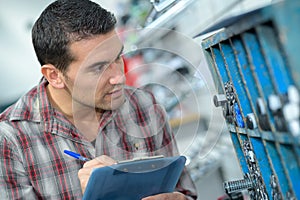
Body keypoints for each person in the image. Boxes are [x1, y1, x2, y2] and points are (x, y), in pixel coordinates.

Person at [0, 0, 197, 199]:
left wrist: (180, 198)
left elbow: (185, 191)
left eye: (118, 57)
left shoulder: (145, 106)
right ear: (54, 76)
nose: (119, 77)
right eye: (98, 68)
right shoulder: (10, 141)